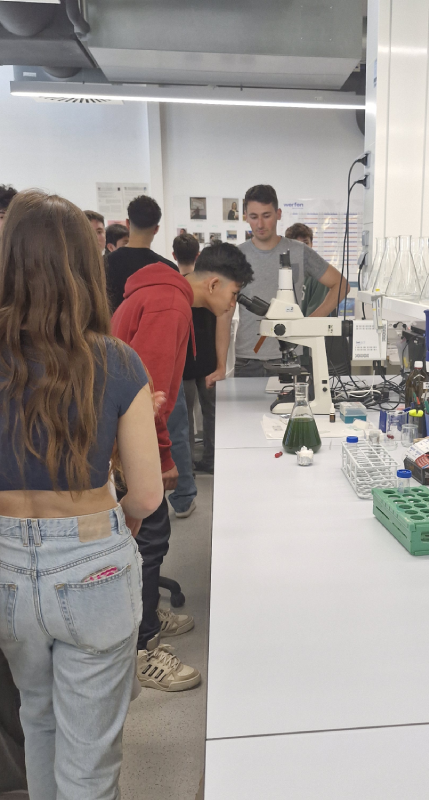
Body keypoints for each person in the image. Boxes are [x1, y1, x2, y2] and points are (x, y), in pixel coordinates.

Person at [0, 190, 164, 799]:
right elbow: (147, 494)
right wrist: (119, 517)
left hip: (5, 569)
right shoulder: (116, 362)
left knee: (37, 720)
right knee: (89, 763)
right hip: (92, 561)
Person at [112, 241, 253, 690]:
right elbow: (146, 395)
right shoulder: (169, 306)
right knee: (149, 538)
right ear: (212, 284)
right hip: (126, 439)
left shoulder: (166, 296)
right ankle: (142, 650)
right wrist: (163, 456)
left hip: (123, 433)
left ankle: (148, 617)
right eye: (233, 294)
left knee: (149, 537)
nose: (233, 304)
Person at [106, 195, 198, 517]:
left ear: (127, 223)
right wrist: (163, 460)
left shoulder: (108, 264)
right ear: (157, 228)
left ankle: (138, 495)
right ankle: (180, 497)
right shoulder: (167, 273)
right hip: (148, 373)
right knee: (172, 426)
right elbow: (151, 387)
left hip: (115, 364)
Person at [236, 184, 349, 376]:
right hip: (247, 359)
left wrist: (310, 322)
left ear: (278, 214)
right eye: (254, 217)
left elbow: (341, 285)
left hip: (289, 357)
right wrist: (220, 364)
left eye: (266, 215)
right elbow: (224, 315)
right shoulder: (237, 255)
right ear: (245, 216)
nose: (260, 224)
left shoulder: (299, 251)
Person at [173, 234, 234, 475]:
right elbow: (221, 323)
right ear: (198, 256)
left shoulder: (178, 289)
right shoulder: (211, 289)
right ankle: (212, 459)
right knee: (212, 414)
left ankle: (186, 465)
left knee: (184, 417)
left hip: (185, 363)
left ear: (174, 255)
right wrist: (221, 363)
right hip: (209, 360)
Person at [285, 222, 330, 318]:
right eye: (296, 244)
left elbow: (314, 320)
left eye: (306, 243)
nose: (302, 249)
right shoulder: (284, 274)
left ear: (311, 245)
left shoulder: (320, 276)